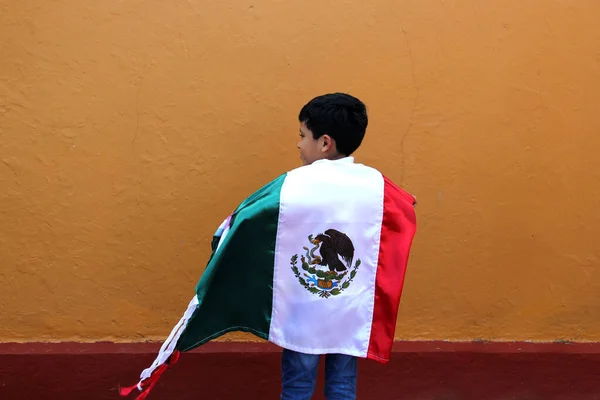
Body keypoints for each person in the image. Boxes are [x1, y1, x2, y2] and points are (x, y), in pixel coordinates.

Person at [282, 93, 368, 400]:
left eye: (303, 136)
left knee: (297, 387)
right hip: (349, 308)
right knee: (343, 386)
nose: (298, 144)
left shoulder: (292, 184)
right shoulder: (374, 186)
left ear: (324, 143)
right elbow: (402, 209)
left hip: (303, 310)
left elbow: (257, 214)